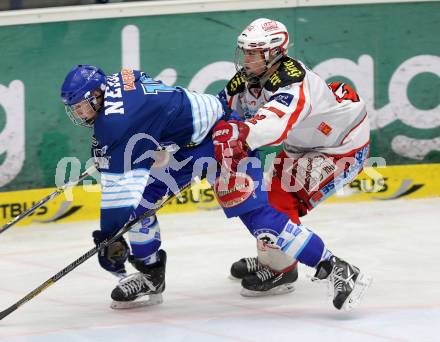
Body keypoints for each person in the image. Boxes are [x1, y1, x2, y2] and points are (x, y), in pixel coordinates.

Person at [60, 64, 275, 309]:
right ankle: (151, 274)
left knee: (249, 207)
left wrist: (107, 237)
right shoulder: (121, 77)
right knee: (140, 206)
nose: (78, 113)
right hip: (183, 144)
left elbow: (117, 198)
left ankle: (280, 265)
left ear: (96, 95)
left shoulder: (113, 124)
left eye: (79, 106)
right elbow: (149, 100)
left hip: (219, 133)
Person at [213, 18, 372, 310]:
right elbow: (216, 111)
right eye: (244, 52)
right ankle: (275, 256)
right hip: (304, 146)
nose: (246, 59)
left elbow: (274, 123)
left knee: (274, 202)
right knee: (263, 199)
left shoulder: (293, 81)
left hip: (339, 148)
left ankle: (281, 269)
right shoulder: (246, 80)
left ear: (274, 53)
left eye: (254, 53)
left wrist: (243, 133)